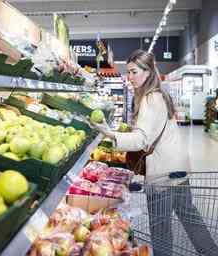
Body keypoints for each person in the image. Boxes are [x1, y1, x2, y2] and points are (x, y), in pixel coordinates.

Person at [91, 49, 218, 256]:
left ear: (148, 72)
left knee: (160, 226)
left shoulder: (149, 99)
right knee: (189, 216)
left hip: (161, 174)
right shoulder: (160, 95)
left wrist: (110, 134)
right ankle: (211, 252)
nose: (129, 77)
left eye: (133, 72)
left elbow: (141, 139)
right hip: (177, 168)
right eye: (128, 72)